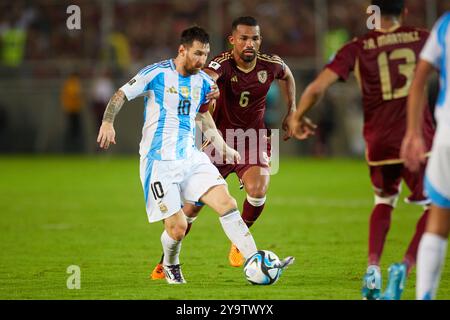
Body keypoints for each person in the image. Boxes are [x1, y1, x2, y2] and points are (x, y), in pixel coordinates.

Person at [96, 26, 293, 284]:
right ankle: (170, 263)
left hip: (191, 158)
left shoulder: (203, 82)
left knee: (228, 204)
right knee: (177, 229)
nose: (202, 60)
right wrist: (108, 122)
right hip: (159, 163)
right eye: (198, 54)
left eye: (205, 54)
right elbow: (121, 94)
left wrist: (222, 147)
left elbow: (203, 116)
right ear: (182, 50)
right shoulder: (156, 73)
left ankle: (254, 259)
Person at [288, 0, 435, 300]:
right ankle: (404, 267)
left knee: (383, 199)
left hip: (379, 142)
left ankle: (372, 268)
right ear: (404, 12)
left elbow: (317, 87)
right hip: (417, 138)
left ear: (373, 14)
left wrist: (297, 116)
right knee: (435, 209)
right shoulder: (423, 38)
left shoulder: (357, 47)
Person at [150, 16, 302, 279]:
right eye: (243, 38)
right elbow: (206, 76)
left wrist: (293, 111)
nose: (249, 43)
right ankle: (165, 262)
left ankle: (238, 241)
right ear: (232, 40)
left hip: (253, 140)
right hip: (216, 142)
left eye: (254, 38)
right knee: (190, 211)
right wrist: (206, 89)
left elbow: (287, 75)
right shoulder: (221, 64)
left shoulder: (271, 64)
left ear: (260, 40)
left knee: (258, 190)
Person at [401, 11, 450, 300]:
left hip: (446, 137)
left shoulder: (444, 25)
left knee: (438, 222)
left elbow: (419, 79)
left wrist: (413, 132)